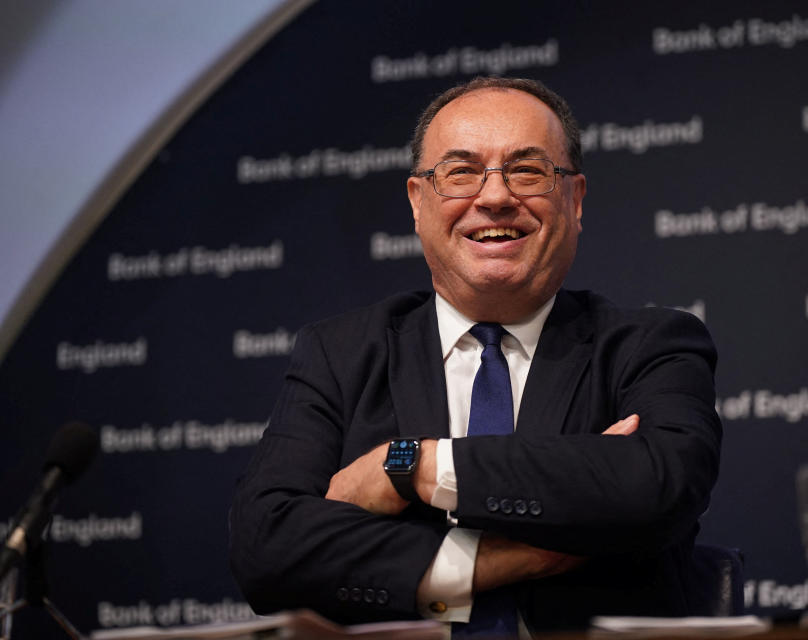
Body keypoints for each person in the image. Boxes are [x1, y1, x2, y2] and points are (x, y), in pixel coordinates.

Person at [229, 77, 722, 634]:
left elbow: (656, 484)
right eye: (460, 172)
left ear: (575, 199)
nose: (493, 197)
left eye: (529, 171)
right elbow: (266, 549)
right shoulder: (341, 355)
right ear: (418, 203)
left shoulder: (650, 345)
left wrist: (413, 466)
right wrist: (508, 558)